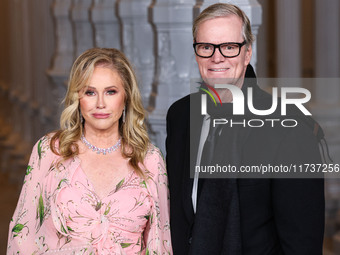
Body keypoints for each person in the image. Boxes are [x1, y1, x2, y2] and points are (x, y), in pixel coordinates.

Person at [166, 3, 324, 255]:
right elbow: (179, 218)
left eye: (229, 47)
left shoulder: (289, 127)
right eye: (206, 47)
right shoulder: (181, 116)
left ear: (247, 53)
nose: (216, 57)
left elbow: (302, 242)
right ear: (196, 53)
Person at [7, 48, 172, 254]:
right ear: (78, 98)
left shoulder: (149, 159)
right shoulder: (51, 150)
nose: (100, 104)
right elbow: (23, 235)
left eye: (111, 92)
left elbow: (161, 242)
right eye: (90, 92)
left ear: (126, 98)